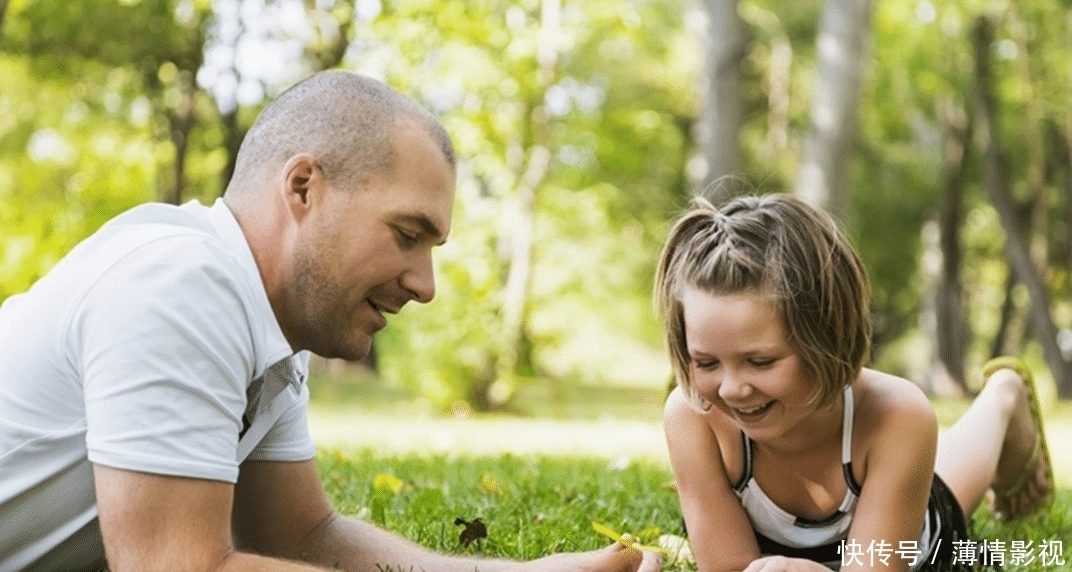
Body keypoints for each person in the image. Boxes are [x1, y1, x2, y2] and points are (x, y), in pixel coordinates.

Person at [0, 70, 661, 572]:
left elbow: (303, 536)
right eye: (407, 234)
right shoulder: (180, 283)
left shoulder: (267, 335)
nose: (425, 286)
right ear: (303, 188)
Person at [656, 193, 1053, 572]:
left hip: (912, 551)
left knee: (945, 486)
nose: (731, 389)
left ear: (826, 335)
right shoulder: (694, 419)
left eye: (760, 362)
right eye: (706, 362)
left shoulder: (897, 415)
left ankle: (1002, 396)